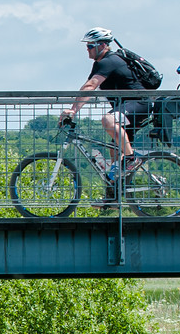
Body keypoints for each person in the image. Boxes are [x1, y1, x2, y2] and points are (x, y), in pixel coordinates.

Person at [60, 27, 151, 207]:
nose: (87, 49)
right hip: (128, 107)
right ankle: (113, 197)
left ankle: (132, 159)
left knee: (108, 120)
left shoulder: (109, 61)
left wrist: (72, 111)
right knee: (114, 154)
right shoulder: (101, 63)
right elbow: (88, 88)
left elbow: (90, 86)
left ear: (102, 45)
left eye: (90, 46)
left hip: (140, 104)